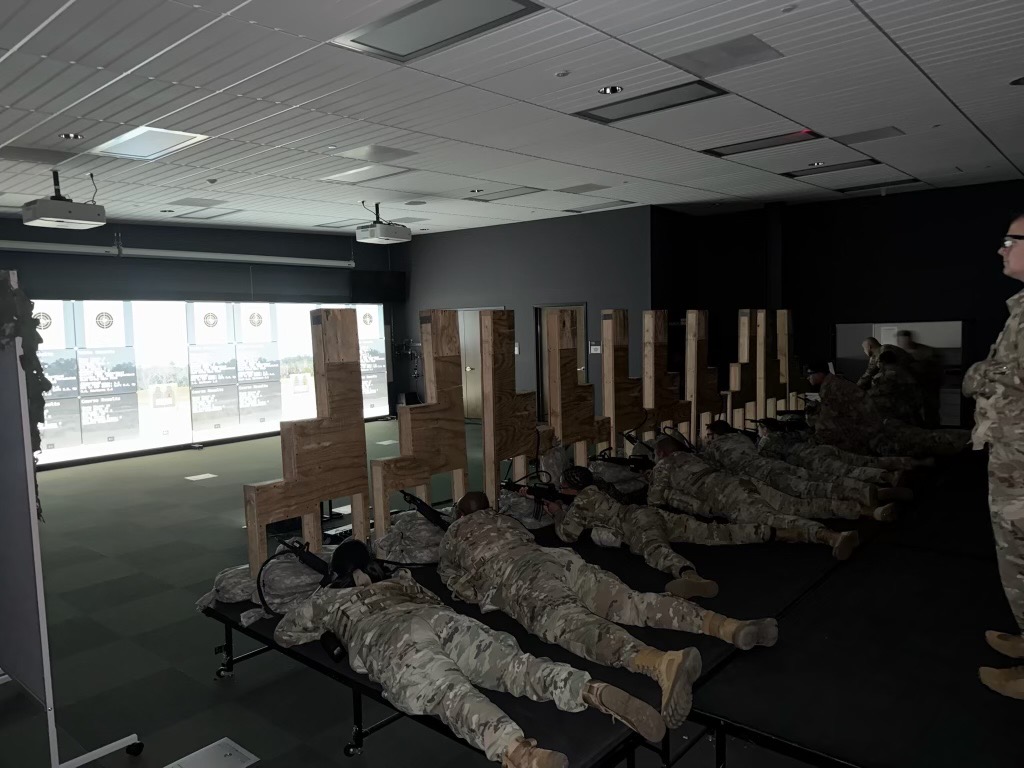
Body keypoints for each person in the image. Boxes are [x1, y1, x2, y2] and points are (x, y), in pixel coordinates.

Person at [438, 492, 780, 729]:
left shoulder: (454, 533)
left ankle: (661, 663)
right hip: (558, 559)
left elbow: (457, 584)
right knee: (632, 602)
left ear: (461, 515)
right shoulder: (507, 520)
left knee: (575, 626)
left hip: (520, 577)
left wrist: (482, 590)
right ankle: (727, 626)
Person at [273, 567, 665, 767]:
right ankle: (590, 690)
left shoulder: (328, 600)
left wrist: (327, 615)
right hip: (437, 618)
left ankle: (519, 753)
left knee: (449, 693)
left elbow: (285, 633)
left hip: (389, 635)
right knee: (514, 666)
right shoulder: (397, 581)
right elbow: (434, 598)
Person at [542, 465, 773, 598]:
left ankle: (689, 576)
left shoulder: (582, 501)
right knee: (709, 531)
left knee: (655, 550)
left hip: (635, 524)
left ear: (570, 488)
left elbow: (567, 534)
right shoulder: (597, 488)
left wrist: (557, 513)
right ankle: (768, 532)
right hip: (648, 513)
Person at [963, 212, 1024, 700]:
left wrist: (981, 376)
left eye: (1010, 240)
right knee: (1015, 556)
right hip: (1011, 457)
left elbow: (995, 375)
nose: (1001, 249)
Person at [647, 437, 859, 559]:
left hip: (727, 496)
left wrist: (657, 483)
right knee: (798, 505)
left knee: (772, 519)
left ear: (661, 453)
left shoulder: (664, 465)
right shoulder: (694, 456)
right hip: (741, 482)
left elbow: (654, 500)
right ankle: (861, 508)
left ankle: (831, 537)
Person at [702, 420, 883, 508]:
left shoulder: (716, 446)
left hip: (766, 474)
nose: (707, 439)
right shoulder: (741, 438)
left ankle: (858, 496)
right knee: (822, 478)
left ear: (716, 435)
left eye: (709, 435)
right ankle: (869, 488)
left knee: (811, 489)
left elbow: (709, 468)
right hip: (775, 465)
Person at [897, 329, 944, 427]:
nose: (903, 344)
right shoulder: (898, 353)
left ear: (910, 340)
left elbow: (937, 370)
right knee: (912, 414)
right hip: (909, 390)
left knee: (931, 414)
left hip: (928, 388)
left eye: (905, 341)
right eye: (900, 342)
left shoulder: (927, 352)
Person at [868, 350, 925, 426]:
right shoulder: (907, 372)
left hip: (896, 414)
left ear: (882, 363)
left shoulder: (881, 377)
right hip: (913, 412)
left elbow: (875, 395)